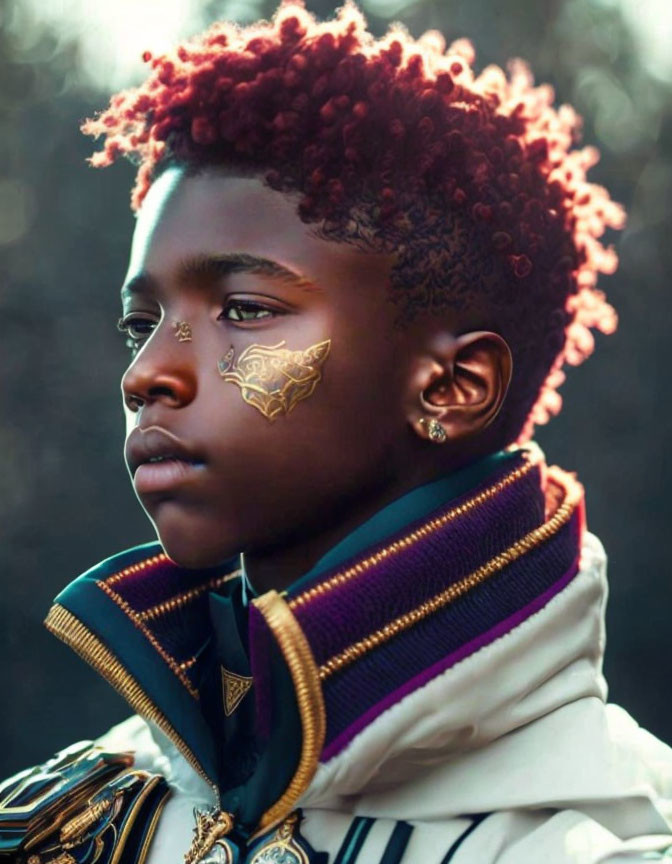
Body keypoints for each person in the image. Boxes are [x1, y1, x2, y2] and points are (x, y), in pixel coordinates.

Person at [2, 1, 671, 861]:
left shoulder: (598, 842)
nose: (145, 375)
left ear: (454, 385)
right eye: (143, 324)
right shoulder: (73, 819)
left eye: (244, 309)